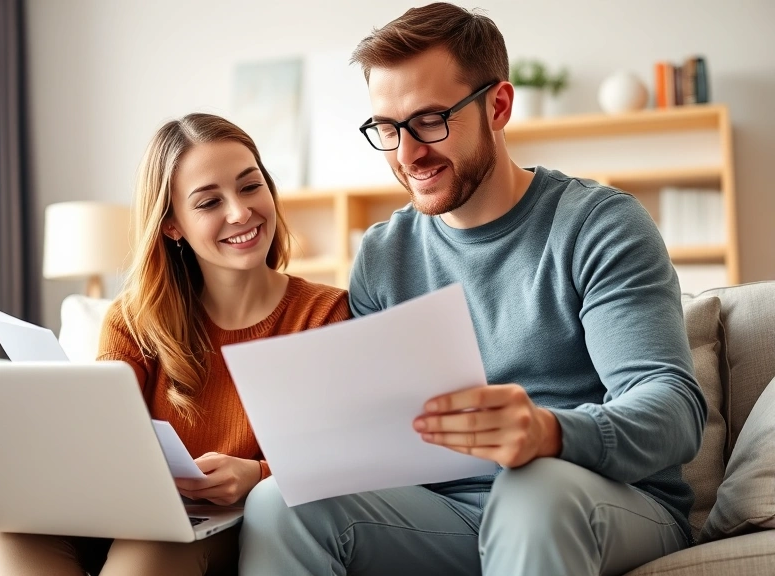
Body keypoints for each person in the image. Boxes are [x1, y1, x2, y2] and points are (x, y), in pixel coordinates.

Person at [238, 4, 707, 576]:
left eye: (430, 120)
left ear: (498, 106)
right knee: (280, 504)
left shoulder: (597, 225)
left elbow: (673, 410)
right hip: (447, 515)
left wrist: (548, 431)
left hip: (605, 500)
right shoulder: (385, 254)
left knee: (533, 489)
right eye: (387, 128)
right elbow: (376, 437)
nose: (408, 154)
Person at [0, 113, 350, 576]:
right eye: (208, 202)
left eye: (250, 185)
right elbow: (102, 441)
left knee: (153, 549)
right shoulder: (134, 320)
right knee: (12, 530)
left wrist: (256, 474)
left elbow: (345, 458)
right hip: (130, 514)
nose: (240, 212)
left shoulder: (324, 315)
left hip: (228, 525)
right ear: (172, 225)